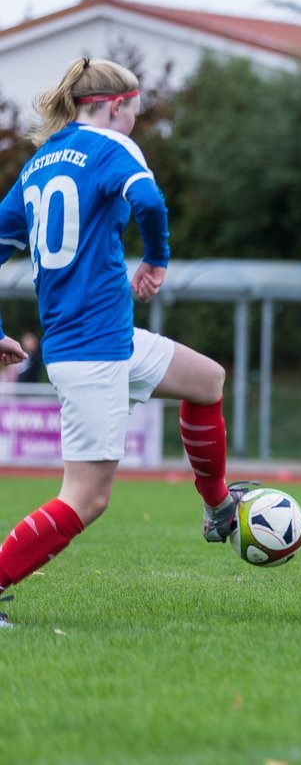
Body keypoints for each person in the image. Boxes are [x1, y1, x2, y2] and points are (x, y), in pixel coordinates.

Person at [0, 57, 246, 629]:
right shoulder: (112, 146)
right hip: (90, 349)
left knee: (207, 380)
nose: (134, 122)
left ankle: (217, 506)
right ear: (117, 106)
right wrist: (156, 261)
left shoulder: (38, 165)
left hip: (104, 337)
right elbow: (152, 204)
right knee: (87, 497)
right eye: (135, 111)